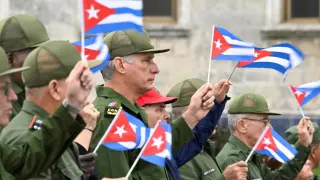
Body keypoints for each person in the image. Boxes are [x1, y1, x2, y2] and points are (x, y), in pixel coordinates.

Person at [90, 29, 216, 179]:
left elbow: (154, 152)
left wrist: (192, 115)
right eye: (146, 61)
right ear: (121, 65)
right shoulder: (109, 117)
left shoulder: (133, 110)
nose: (156, 69)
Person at [0, 41, 99, 179]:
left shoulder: (57, 131)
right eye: (80, 82)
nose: (85, 92)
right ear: (55, 89)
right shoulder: (23, 137)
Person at [136, 78, 238, 180]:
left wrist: (217, 102)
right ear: (140, 113)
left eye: (164, 108)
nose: (167, 115)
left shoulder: (162, 149)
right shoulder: (133, 155)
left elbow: (197, 137)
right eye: (159, 110)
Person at [216, 92, 314, 180]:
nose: (269, 126)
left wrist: (303, 143)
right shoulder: (232, 160)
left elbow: (278, 178)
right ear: (242, 125)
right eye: (264, 121)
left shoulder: (250, 156)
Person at [167, 78, 248, 180]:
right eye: (206, 108)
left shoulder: (205, 146)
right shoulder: (183, 154)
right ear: (190, 112)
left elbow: (200, 133)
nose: (165, 115)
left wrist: (218, 102)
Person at [0, 14, 50, 120]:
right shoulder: (3, 102)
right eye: (35, 54)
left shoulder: (30, 88)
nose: (44, 59)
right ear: (10, 59)